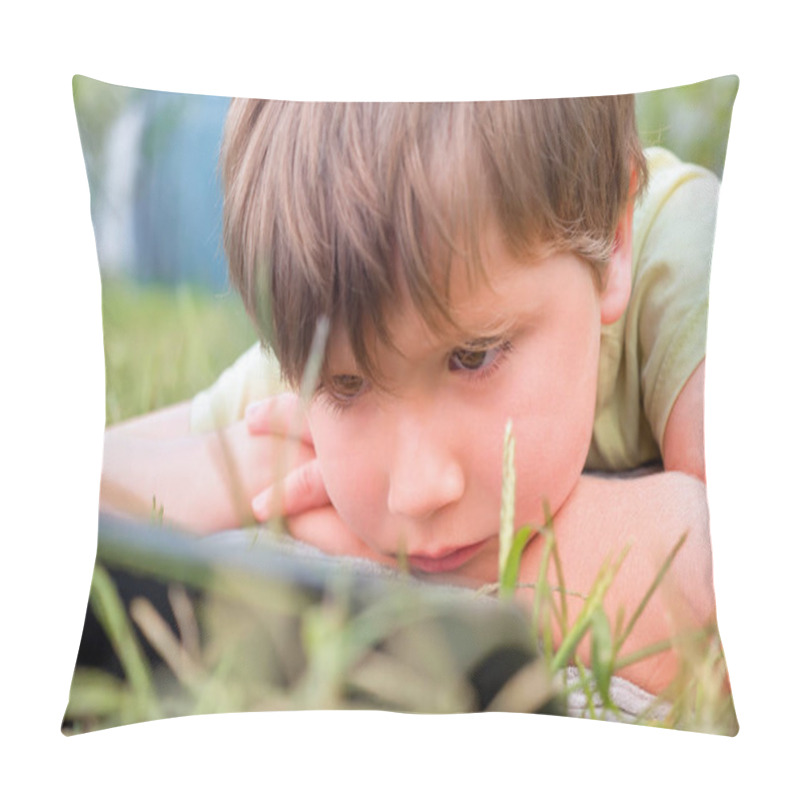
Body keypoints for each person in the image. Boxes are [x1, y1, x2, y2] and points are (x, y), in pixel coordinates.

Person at [101, 98, 720, 698]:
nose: (417, 491)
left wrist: (339, 530)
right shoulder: (344, 312)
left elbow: (719, 599)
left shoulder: (693, 249)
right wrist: (251, 470)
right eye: (347, 386)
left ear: (612, 244)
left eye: (474, 356)